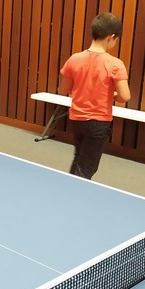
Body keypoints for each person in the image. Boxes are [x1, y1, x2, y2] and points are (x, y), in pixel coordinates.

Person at [58, 11, 130, 180]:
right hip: (98, 122)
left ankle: (68, 188)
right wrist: (112, 95)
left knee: (79, 158)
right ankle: (73, 194)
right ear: (111, 38)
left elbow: (65, 88)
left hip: (76, 118)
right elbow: (124, 96)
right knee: (86, 168)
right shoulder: (115, 64)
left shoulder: (74, 59)